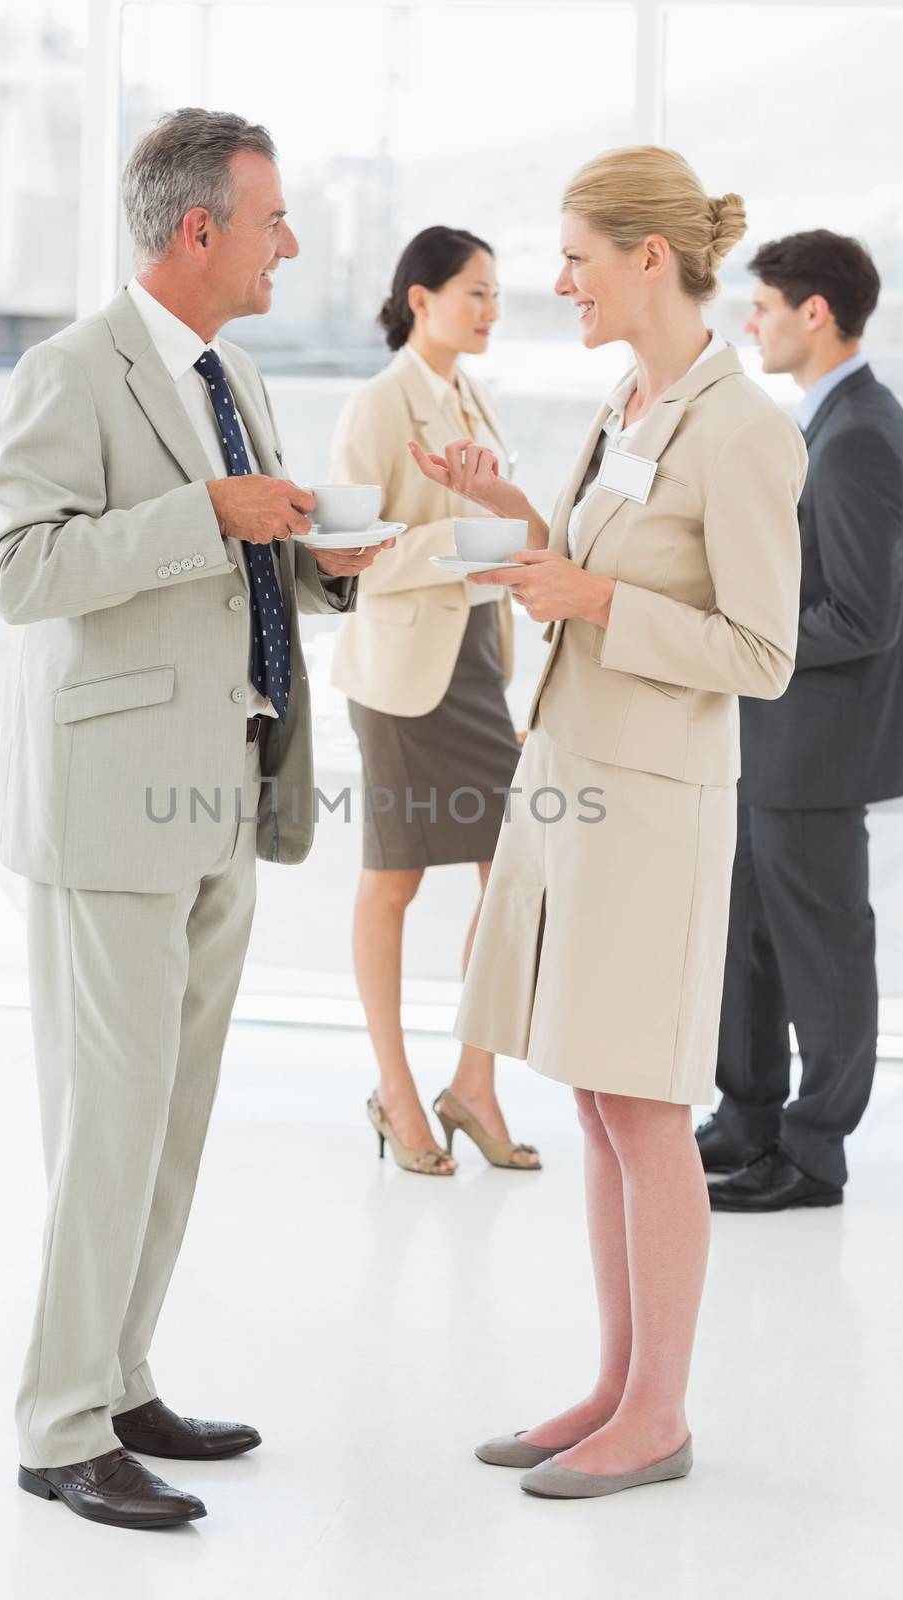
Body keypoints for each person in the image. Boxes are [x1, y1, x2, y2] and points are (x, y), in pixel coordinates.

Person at [0, 109, 392, 1531]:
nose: (290, 245)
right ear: (198, 228)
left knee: (170, 1121)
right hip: (107, 815)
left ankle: (119, 1377)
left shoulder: (233, 374)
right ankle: (54, 1424)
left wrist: (324, 567)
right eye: (273, 221)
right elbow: (20, 572)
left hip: (225, 794)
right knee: (107, 1124)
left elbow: (242, 564)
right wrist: (208, 514)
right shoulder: (65, 371)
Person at [413, 146, 805, 1499]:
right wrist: (515, 518)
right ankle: (611, 1384)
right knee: (590, 1095)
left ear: (649, 258)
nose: (555, 280)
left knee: (640, 1104)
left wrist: (595, 608)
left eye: (575, 255)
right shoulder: (628, 400)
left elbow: (760, 652)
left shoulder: (745, 427)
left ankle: (658, 1412)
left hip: (650, 810)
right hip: (570, 783)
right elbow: (588, 566)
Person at [700, 231, 903, 1211]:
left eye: (764, 306)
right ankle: (747, 1120)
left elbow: (863, 616)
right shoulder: (823, 423)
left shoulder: (860, 432)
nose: (751, 322)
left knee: (822, 952)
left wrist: (745, 632)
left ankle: (812, 1151)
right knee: (749, 940)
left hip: (813, 747)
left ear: (812, 313)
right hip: (767, 740)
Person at [330, 226, 537, 1176]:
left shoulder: (473, 398)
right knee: (396, 880)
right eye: (476, 293)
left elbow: (505, 521)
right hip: (403, 678)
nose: (491, 310)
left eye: (496, 295)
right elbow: (345, 557)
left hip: (474, 669)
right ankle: (396, 1089)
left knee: (509, 878)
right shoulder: (381, 405)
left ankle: (475, 1082)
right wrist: (470, 552)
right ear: (420, 298)